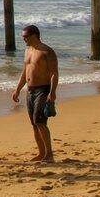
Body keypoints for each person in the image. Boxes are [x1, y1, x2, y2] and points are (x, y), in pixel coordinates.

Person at [12, 24, 59, 162]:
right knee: (34, 123)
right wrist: (17, 89)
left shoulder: (47, 51)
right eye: (23, 37)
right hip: (30, 90)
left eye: (25, 37)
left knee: (40, 121)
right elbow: (24, 72)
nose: (23, 39)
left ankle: (49, 154)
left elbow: (54, 74)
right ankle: (41, 153)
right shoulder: (27, 50)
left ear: (34, 35)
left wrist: (52, 92)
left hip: (43, 89)